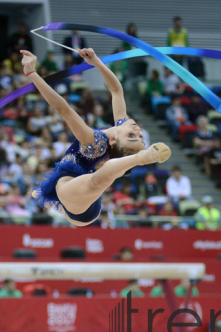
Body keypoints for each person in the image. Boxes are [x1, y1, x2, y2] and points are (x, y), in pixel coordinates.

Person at [21, 48, 171, 227]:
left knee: (96, 181)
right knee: (93, 181)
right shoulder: (120, 125)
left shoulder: (95, 142)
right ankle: (55, 201)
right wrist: (96, 62)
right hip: (86, 197)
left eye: (133, 136)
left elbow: (63, 109)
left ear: (113, 140)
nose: (137, 130)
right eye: (140, 136)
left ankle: (142, 158)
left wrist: (32, 74)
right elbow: (116, 91)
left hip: (78, 196)